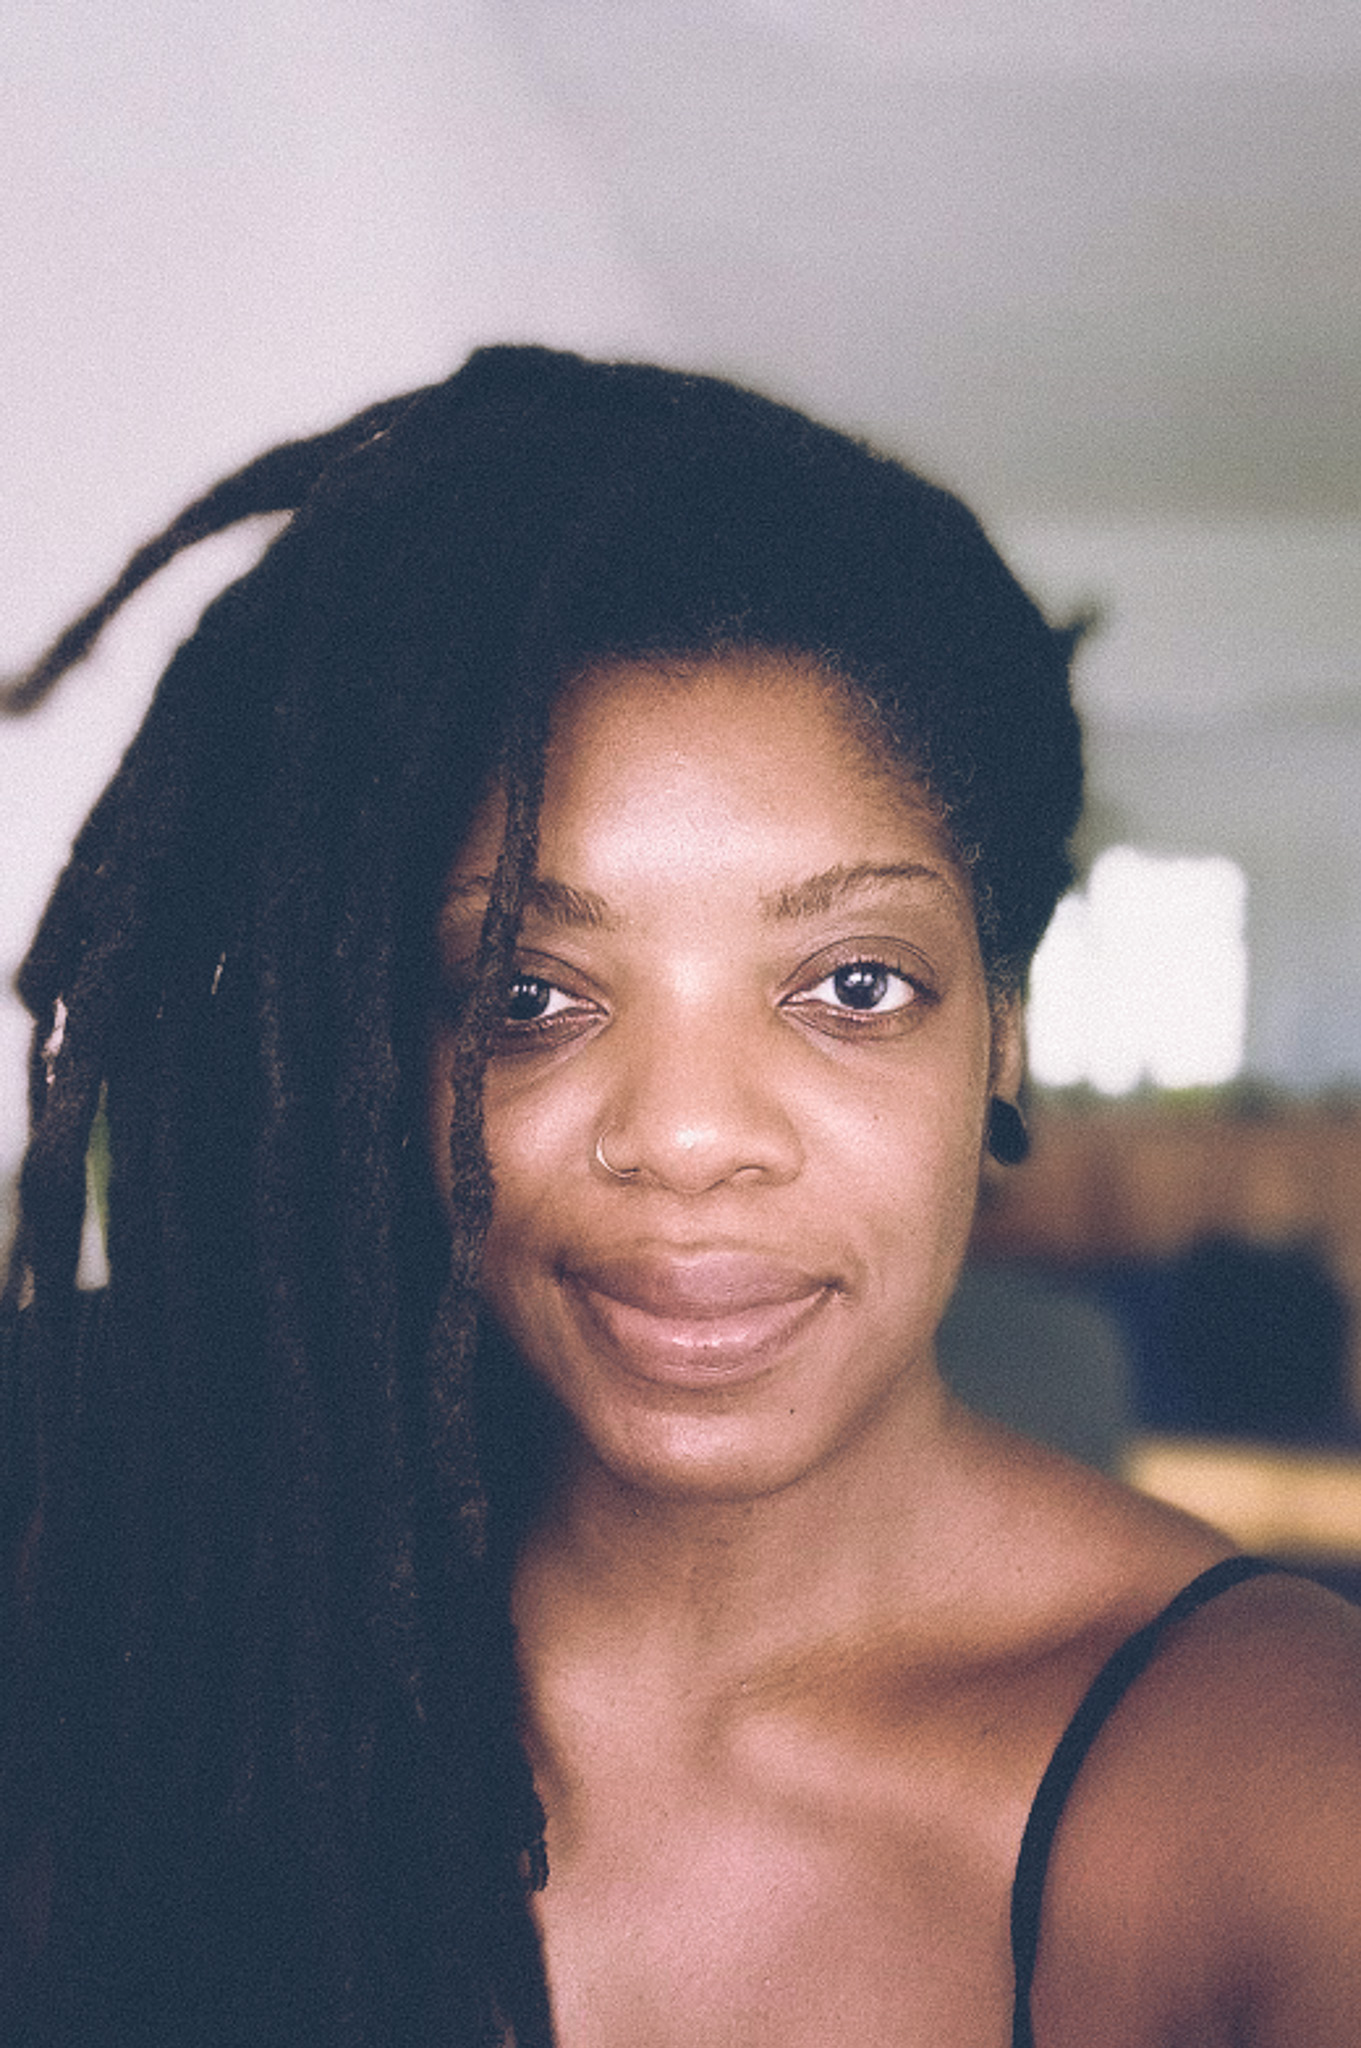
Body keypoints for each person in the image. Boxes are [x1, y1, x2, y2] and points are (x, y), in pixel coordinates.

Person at [2, 344, 1358, 2048]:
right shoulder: (140, 1581)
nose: (690, 1137)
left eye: (851, 984)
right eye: (529, 997)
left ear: (998, 1037)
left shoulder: (1284, 1798)